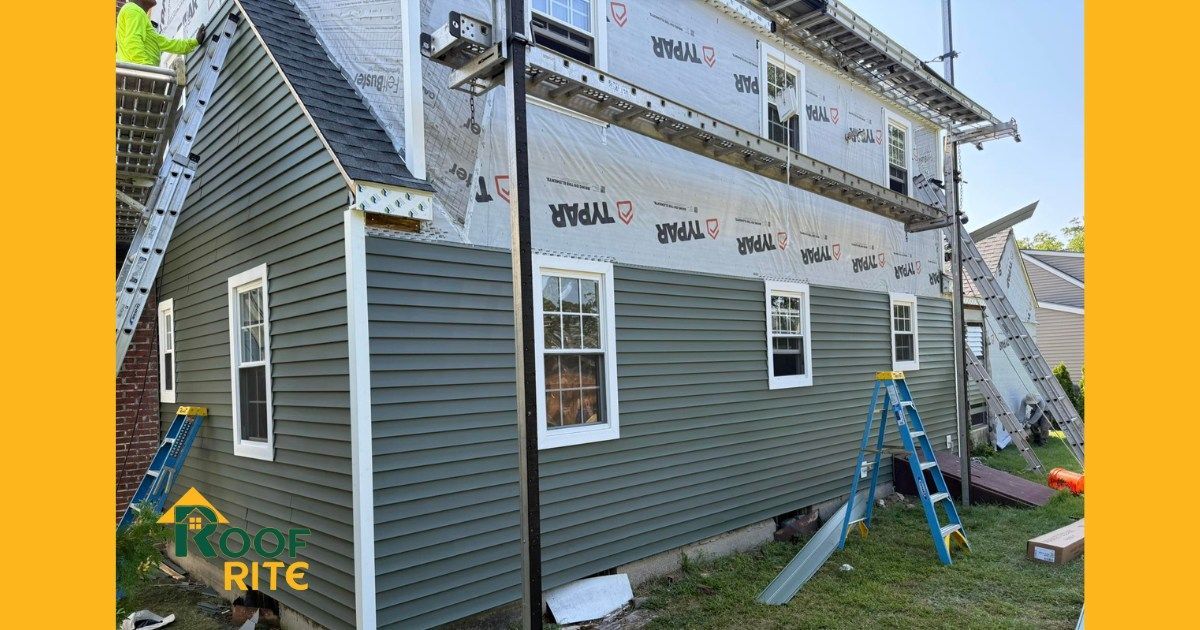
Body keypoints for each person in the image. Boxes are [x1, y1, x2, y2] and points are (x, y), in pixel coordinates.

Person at [116, 0, 206, 66]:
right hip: (136, 74)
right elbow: (133, 41)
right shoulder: (133, 10)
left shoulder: (141, 17)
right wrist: (146, 69)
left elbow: (168, 44)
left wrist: (195, 42)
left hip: (136, 76)